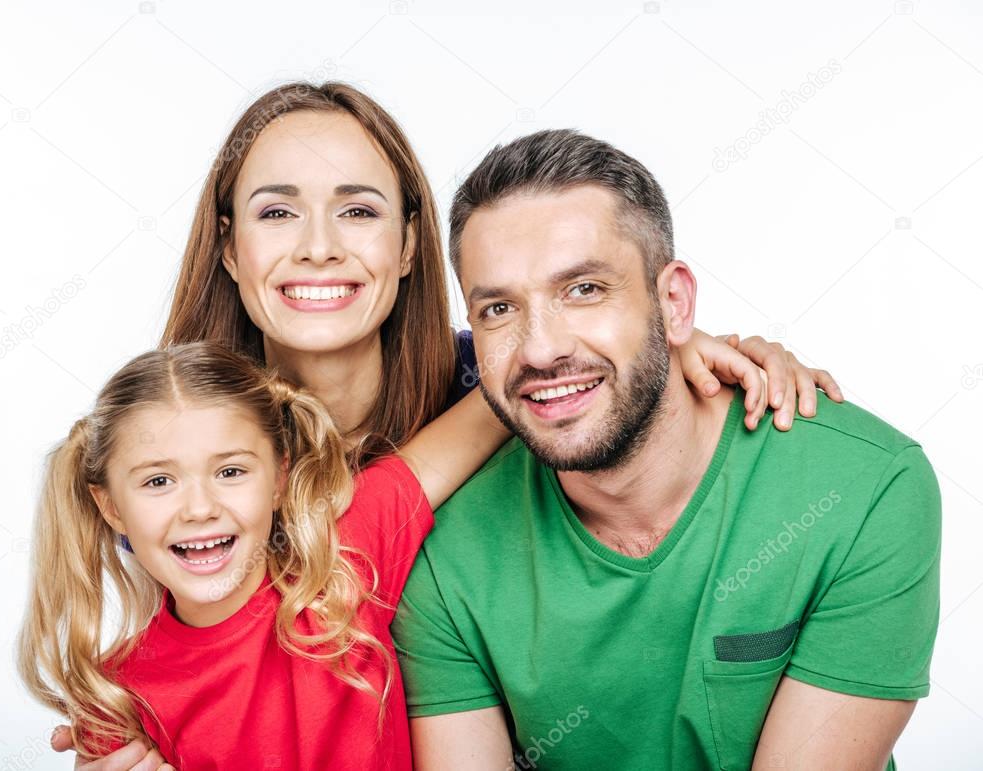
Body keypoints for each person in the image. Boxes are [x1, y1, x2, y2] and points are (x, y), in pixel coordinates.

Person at [47, 82, 841, 769]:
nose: (318, 246)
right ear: (229, 246)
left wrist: (678, 345)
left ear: (405, 245)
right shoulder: (182, 436)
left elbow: (590, 360)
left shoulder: (502, 378)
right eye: (277, 211)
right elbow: (209, 671)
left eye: (356, 210)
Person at [391, 129, 941, 770]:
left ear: (674, 303)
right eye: (498, 310)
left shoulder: (865, 487)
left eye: (584, 289)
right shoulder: (443, 558)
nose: (540, 349)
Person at [20, 341, 510, 769]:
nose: (199, 509)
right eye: (158, 481)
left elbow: (487, 412)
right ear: (111, 507)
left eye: (231, 472)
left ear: (278, 479)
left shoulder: (342, 559)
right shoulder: (116, 701)